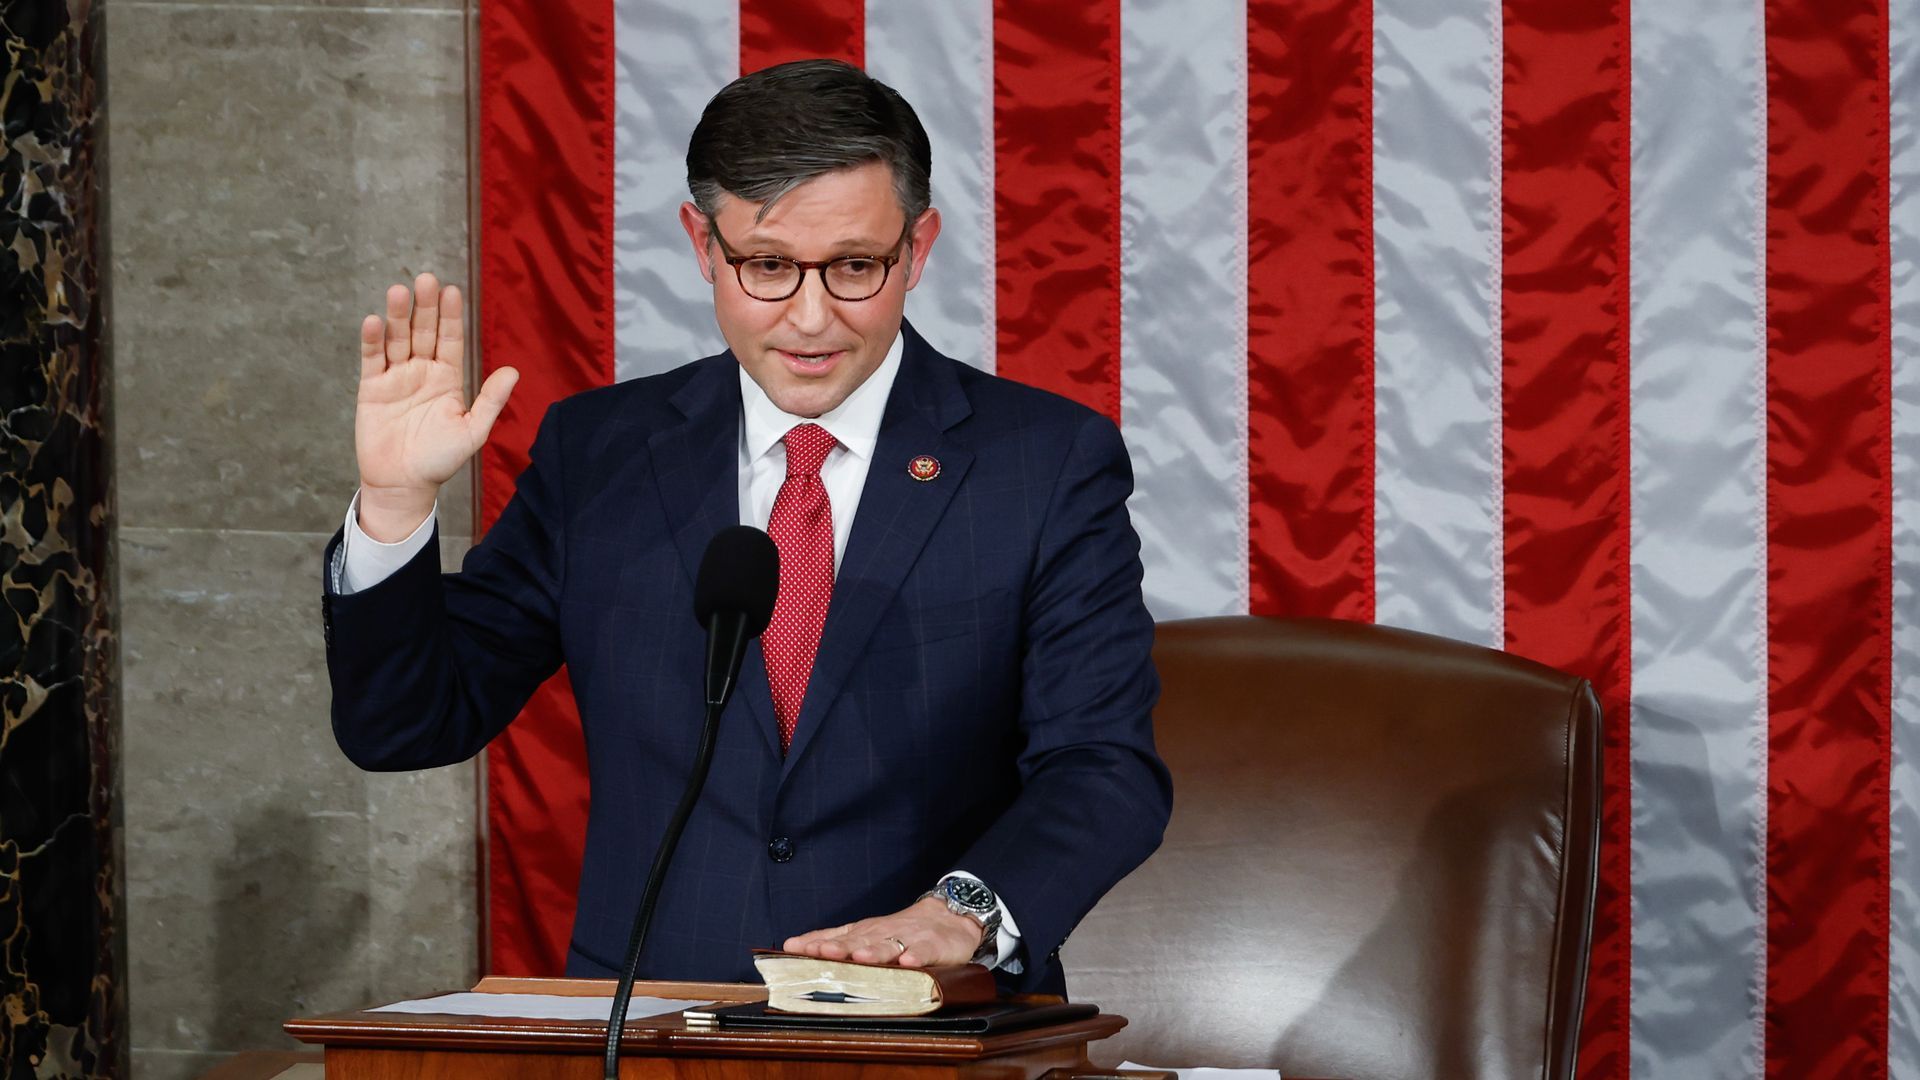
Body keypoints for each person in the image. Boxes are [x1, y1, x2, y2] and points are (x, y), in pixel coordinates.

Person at [323, 59, 1171, 995]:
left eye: (855, 266)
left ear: (918, 248)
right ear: (701, 244)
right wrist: (396, 506)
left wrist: (954, 916)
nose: (811, 318)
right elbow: (406, 725)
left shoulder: (1044, 463)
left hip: (931, 1024)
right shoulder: (599, 452)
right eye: (767, 266)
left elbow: (1102, 768)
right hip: (653, 1027)